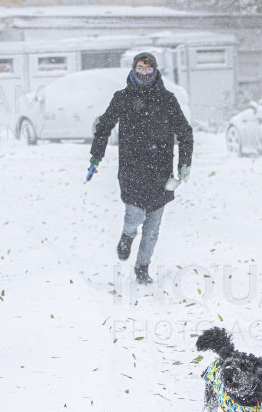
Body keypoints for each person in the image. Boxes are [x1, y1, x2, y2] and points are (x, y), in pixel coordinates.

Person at [89, 52, 194, 284]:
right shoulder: (122, 98)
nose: (143, 73)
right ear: (133, 70)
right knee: (135, 213)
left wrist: (184, 163)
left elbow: (185, 132)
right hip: (132, 168)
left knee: (153, 227)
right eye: (140, 68)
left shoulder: (167, 99)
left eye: (148, 69)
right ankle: (127, 234)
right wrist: (96, 155)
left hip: (161, 170)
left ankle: (142, 268)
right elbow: (104, 126)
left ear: (155, 71)